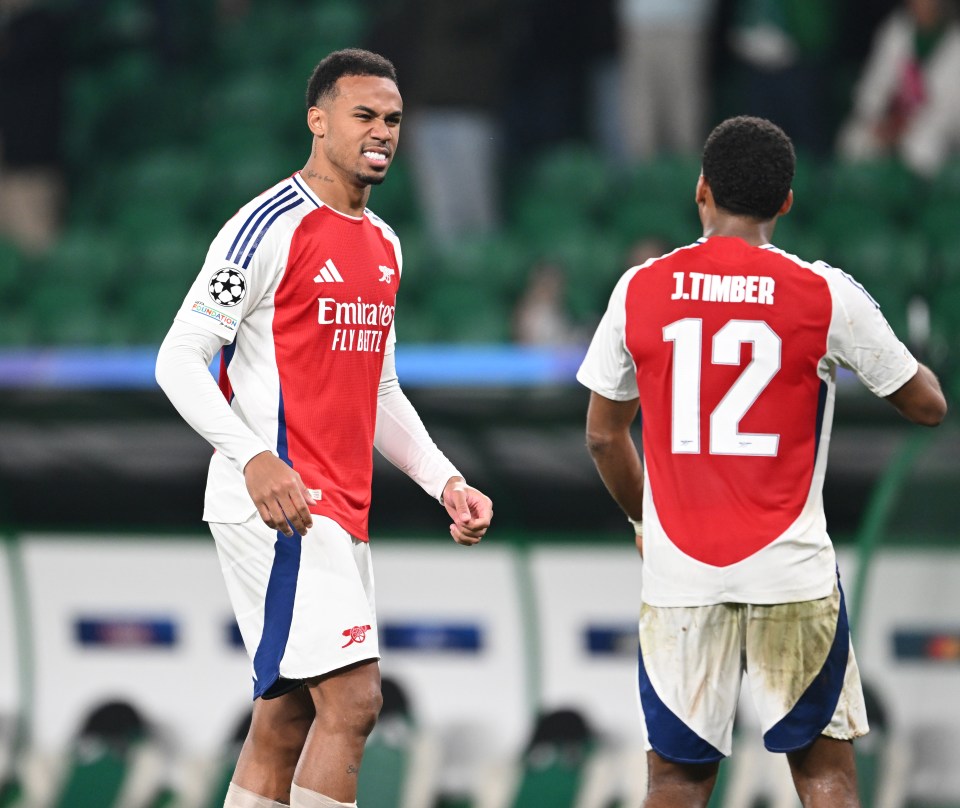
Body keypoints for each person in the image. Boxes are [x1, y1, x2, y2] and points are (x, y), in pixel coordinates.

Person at [155, 49, 493, 808]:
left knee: (287, 718)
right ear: (318, 120)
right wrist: (251, 459)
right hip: (276, 503)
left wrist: (445, 480)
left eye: (394, 120)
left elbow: (377, 388)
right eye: (364, 115)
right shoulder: (265, 226)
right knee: (356, 702)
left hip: (338, 509)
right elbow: (178, 358)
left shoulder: (385, 244)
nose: (383, 133)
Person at [576, 115, 946, 807]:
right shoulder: (824, 293)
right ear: (786, 203)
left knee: (675, 782)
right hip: (790, 570)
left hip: (680, 573)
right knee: (824, 775)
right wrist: (892, 349)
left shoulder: (639, 289)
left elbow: (602, 436)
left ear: (701, 191)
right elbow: (927, 405)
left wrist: (644, 519)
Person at [836, 0, 960, 177]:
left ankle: (920, 202)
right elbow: (872, 88)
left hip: (937, 130)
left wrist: (909, 126)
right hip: (893, 120)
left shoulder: (955, 41)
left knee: (920, 149)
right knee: (853, 140)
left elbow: (949, 111)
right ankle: (862, 200)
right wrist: (880, 119)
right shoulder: (896, 30)